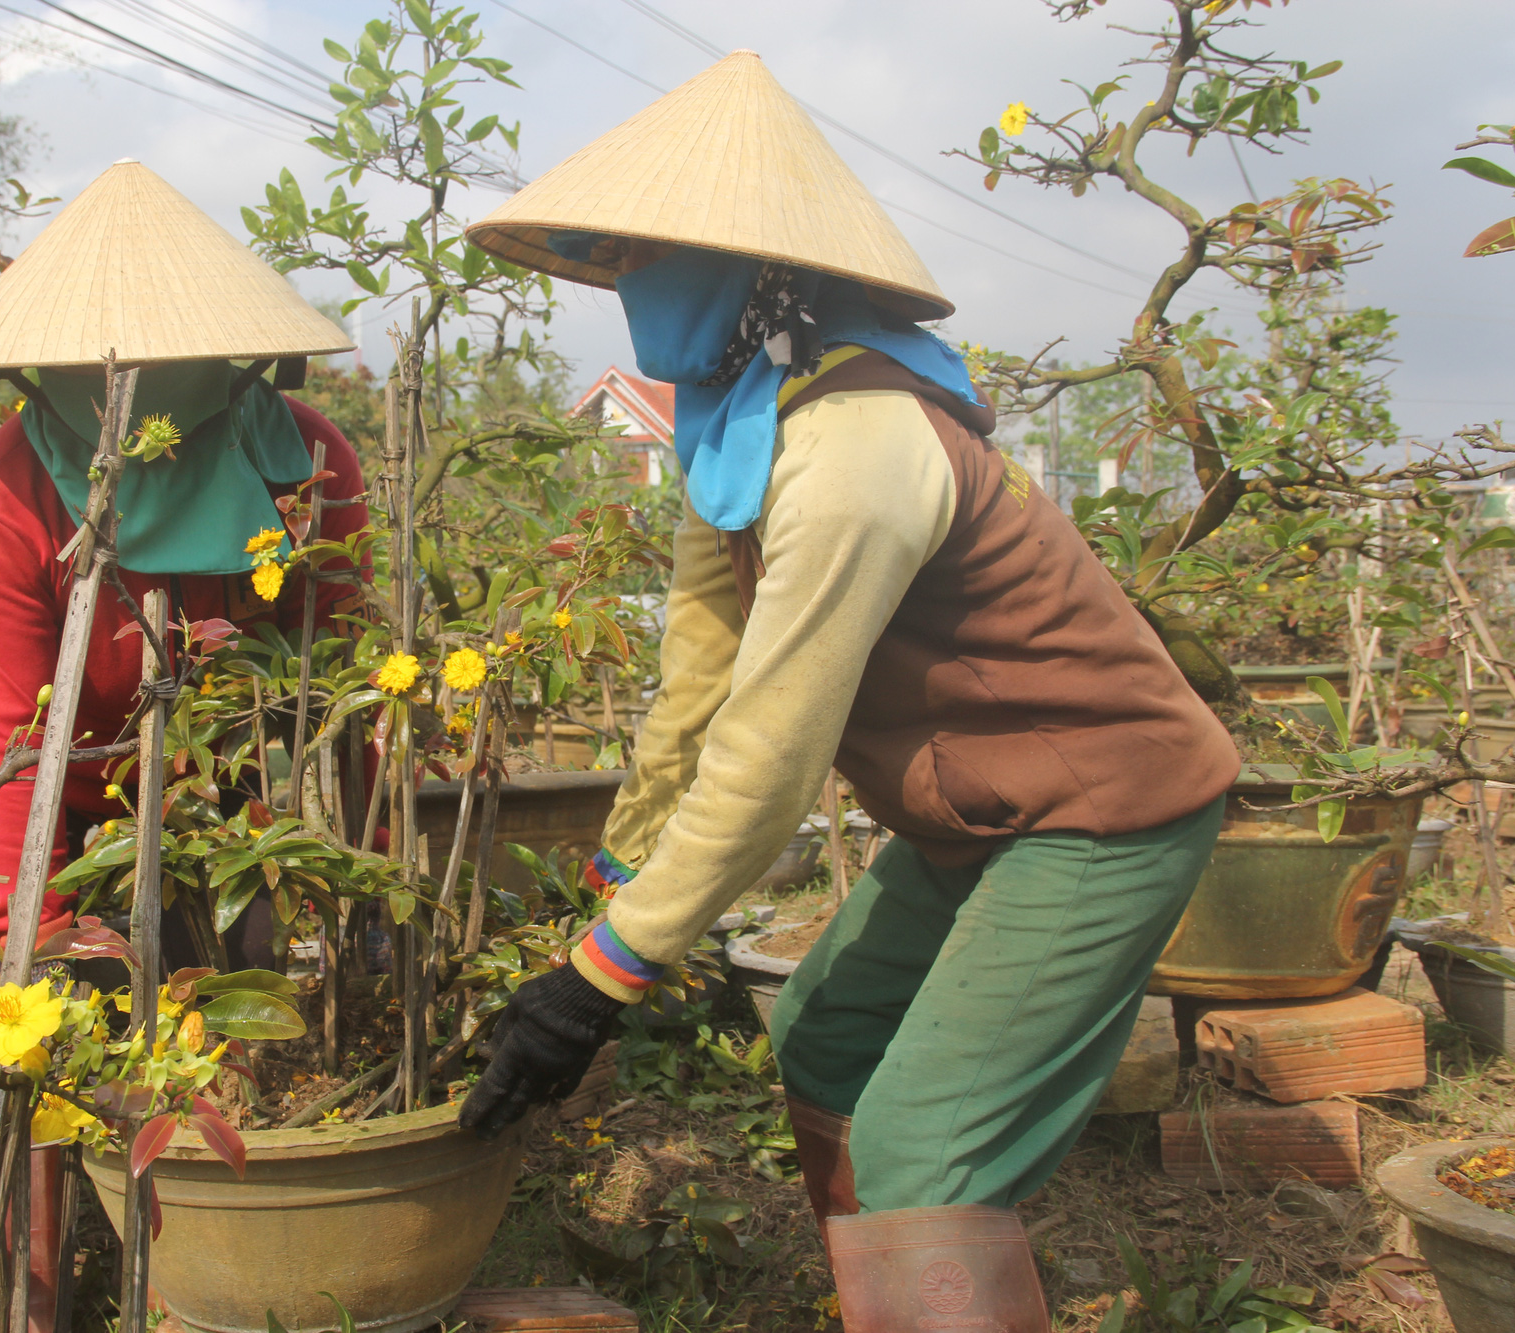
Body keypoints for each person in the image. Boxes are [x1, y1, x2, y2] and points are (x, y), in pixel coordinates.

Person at [458, 53, 1238, 1331]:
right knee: (821, 1032)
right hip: (975, 809)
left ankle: (926, 1276)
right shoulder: (738, 431)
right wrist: (619, 887)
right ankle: (878, 1300)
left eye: (662, 256)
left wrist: (605, 979)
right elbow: (695, 687)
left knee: (923, 1145)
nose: (635, 287)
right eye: (621, 260)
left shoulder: (856, 445)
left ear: (764, 269)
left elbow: (769, 756)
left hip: (1103, 808)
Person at [0, 159, 367, 968]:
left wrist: (368, 876)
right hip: (9, 770)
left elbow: (345, 686)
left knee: (236, 980)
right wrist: (38, 945)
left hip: (199, 771)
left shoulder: (306, 467)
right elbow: (13, 745)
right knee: (30, 1004)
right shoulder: (5, 497)